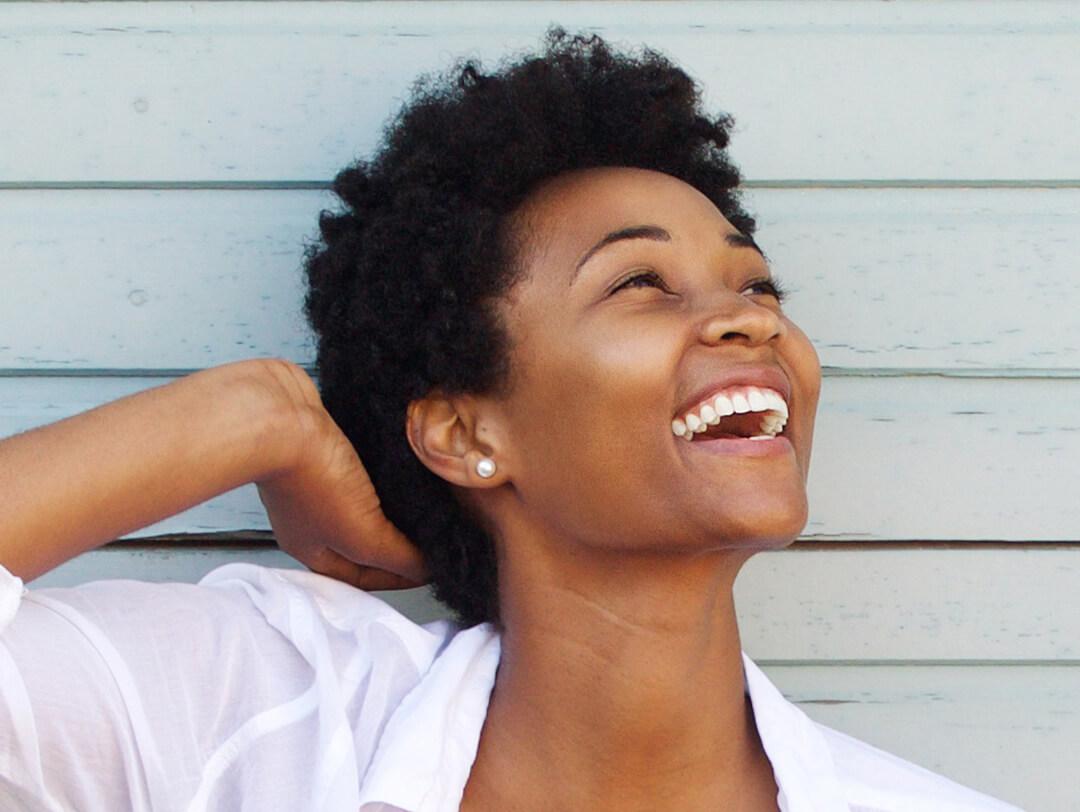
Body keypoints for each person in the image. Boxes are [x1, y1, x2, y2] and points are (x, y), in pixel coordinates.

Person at [0, 29, 1022, 812]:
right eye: (639, 283)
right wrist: (253, 416)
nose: (750, 319)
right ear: (465, 434)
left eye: (757, 285)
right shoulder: (262, 716)